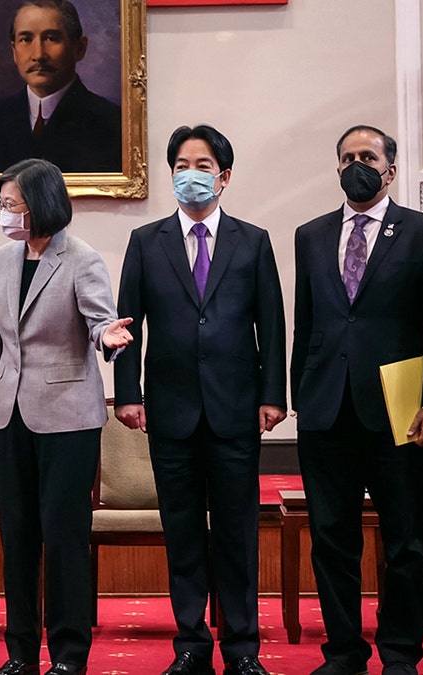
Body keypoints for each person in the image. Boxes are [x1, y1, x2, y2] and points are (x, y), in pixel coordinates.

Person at [113, 124, 285, 675]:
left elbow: (273, 325)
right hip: (170, 410)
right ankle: (190, 645)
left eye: (204, 165)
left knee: (237, 534)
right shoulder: (146, 242)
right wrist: (127, 395)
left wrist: (272, 395)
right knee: (182, 533)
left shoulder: (253, 241)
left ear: (225, 176)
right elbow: (127, 324)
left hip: (236, 410)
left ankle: (242, 650)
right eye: (182, 165)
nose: (192, 174)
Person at [291, 125, 423, 675]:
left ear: (390, 170)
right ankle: (343, 653)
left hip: (399, 411)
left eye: (367, 156)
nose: (355, 164)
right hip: (326, 412)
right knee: (331, 541)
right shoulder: (310, 235)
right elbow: (307, 323)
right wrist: (298, 397)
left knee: (406, 540)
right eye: (346, 157)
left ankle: (401, 653)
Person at [0, 158, 133, 675]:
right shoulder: (2, 258)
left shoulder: (81, 258)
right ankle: (19, 652)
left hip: (68, 418)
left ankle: (68, 655)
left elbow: (99, 319)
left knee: (64, 539)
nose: (4, 213)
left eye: (11, 204)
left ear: (41, 203)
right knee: (17, 536)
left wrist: (108, 337)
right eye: (2, 205)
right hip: (8, 414)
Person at [0, 0, 121, 174]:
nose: (38, 55)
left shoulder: (112, 123)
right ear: (14, 51)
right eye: (26, 39)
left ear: (80, 48)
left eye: (51, 38)